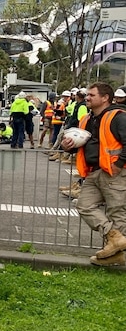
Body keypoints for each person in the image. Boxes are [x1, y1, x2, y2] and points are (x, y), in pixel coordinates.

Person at [62, 83, 126, 266]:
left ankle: (116, 255)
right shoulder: (88, 119)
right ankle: (114, 238)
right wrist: (69, 147)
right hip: (94, 171)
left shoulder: (118, 117)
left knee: (117, 212)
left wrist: (119, 165)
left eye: (91, 95)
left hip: (114, 172)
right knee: (84, 205)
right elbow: (85, 144)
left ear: (105, 97)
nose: (87, 97)